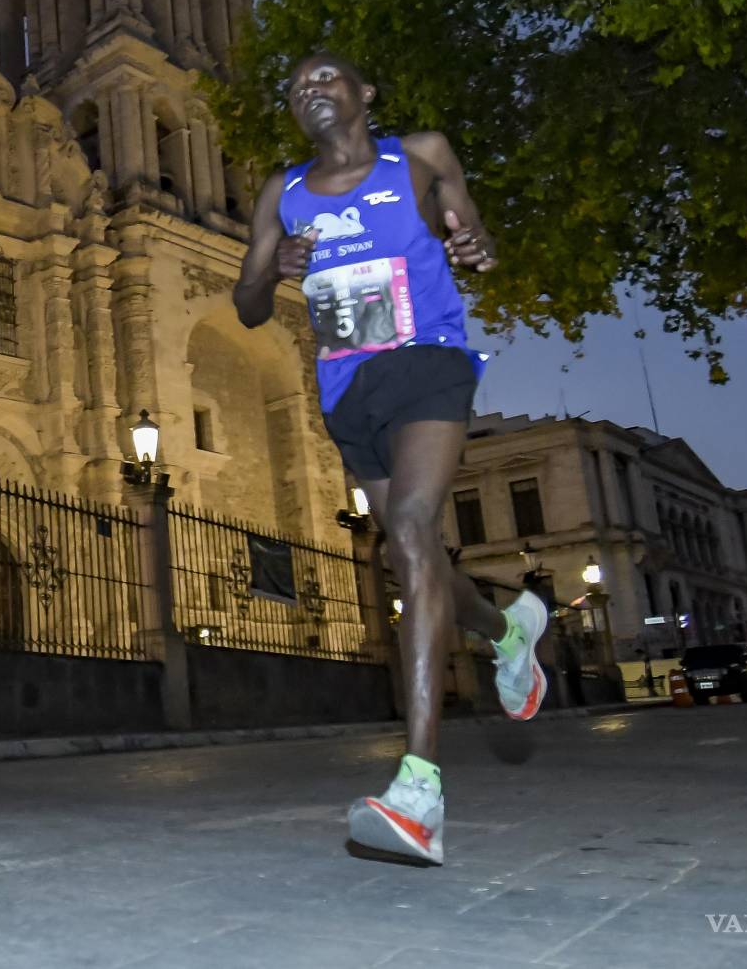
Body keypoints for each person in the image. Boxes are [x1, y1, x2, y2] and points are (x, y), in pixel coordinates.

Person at [234, 53, 547, 866]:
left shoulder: (422, 156)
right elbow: (246, 303)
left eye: (327, 75)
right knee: (419, 560)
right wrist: (277, 267)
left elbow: (468, 227)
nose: (311, 88)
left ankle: (418, 789)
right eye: (297, 85)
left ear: (366, 93)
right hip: (346, 390)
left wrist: (474, 241)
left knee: (409, 527)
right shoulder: (283, 192)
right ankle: (509, 628)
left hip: (428, 363)